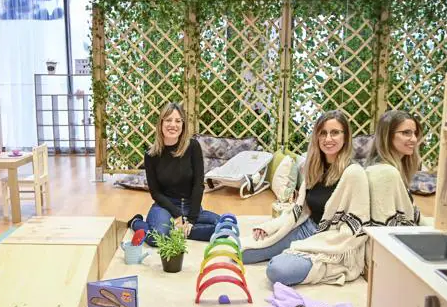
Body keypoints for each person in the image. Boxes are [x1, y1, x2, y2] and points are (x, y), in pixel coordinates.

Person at [241, 110, 371, 286]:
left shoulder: (354, 173)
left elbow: (355, 230)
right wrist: (271, 227)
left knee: (277, 270)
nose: (328, 139)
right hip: (305, 228)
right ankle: (287, 252)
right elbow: (298, 210)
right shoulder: (314, 167)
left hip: (329, 242)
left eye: (335, 132)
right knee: (244, 253)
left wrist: (309, 246)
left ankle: (290, 255)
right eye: (323, 133)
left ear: (346, 137)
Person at [127, 103, 220, 247]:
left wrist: (191, 220)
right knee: (157, 238)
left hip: (190, 206)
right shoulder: (151, 155)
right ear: (161, 123)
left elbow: (198, 185)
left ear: (183, 125)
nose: (173, 125)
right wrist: (177, 215)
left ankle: (177, 230)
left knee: (223, 226)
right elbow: (156, 193)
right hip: (165, 206)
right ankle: (136, 223)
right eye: (168, 120)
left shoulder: (193, 146)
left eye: (178, 121)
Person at [366, 110, 425, 226]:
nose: (414, 139)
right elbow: (385, 227)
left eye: (414, 133)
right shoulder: (385, 173)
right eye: (406, 133)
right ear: (387, 136)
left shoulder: (391, 169)